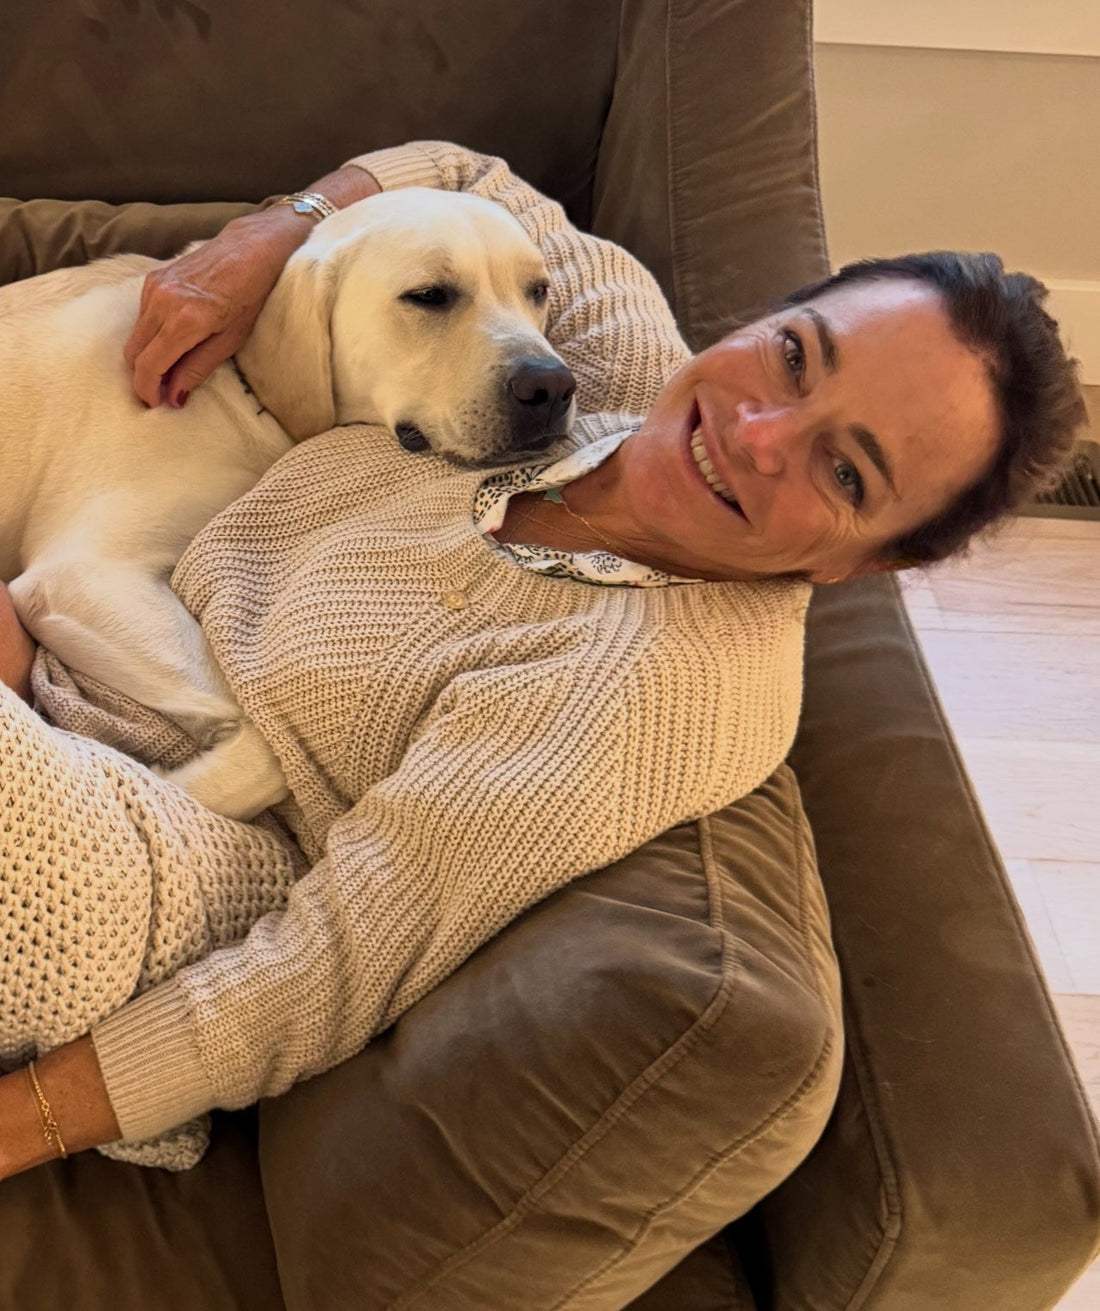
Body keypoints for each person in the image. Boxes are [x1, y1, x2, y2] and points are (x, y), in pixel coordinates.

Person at [0, 142, 1085, 1179]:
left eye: (845, 473)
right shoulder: (616, 382)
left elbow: (324, 969)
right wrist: (266, 239)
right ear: (762, 316)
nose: (757, 432)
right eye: (796, 354)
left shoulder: (653, 693)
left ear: (873, 562)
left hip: (176, 839)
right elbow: (467, 176)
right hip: (75, 650)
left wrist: (22, 1123)